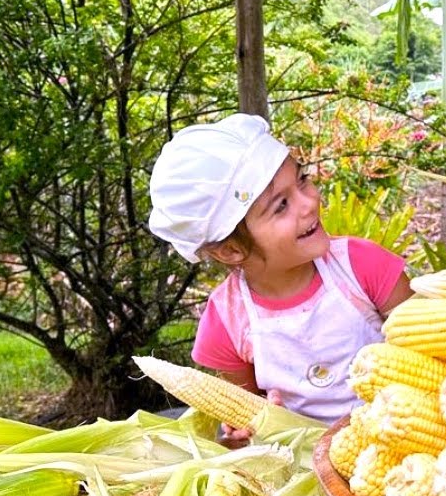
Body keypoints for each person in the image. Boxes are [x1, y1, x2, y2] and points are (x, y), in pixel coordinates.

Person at [148, 114, 412, 442]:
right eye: (281, 205)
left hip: (403, 442)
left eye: (302, 180)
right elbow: (244, 418)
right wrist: (250, 428)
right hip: (304, 461)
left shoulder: (363, 266)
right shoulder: (227, 322)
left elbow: (433, 351)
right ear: (231, 250)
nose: (309, 202)